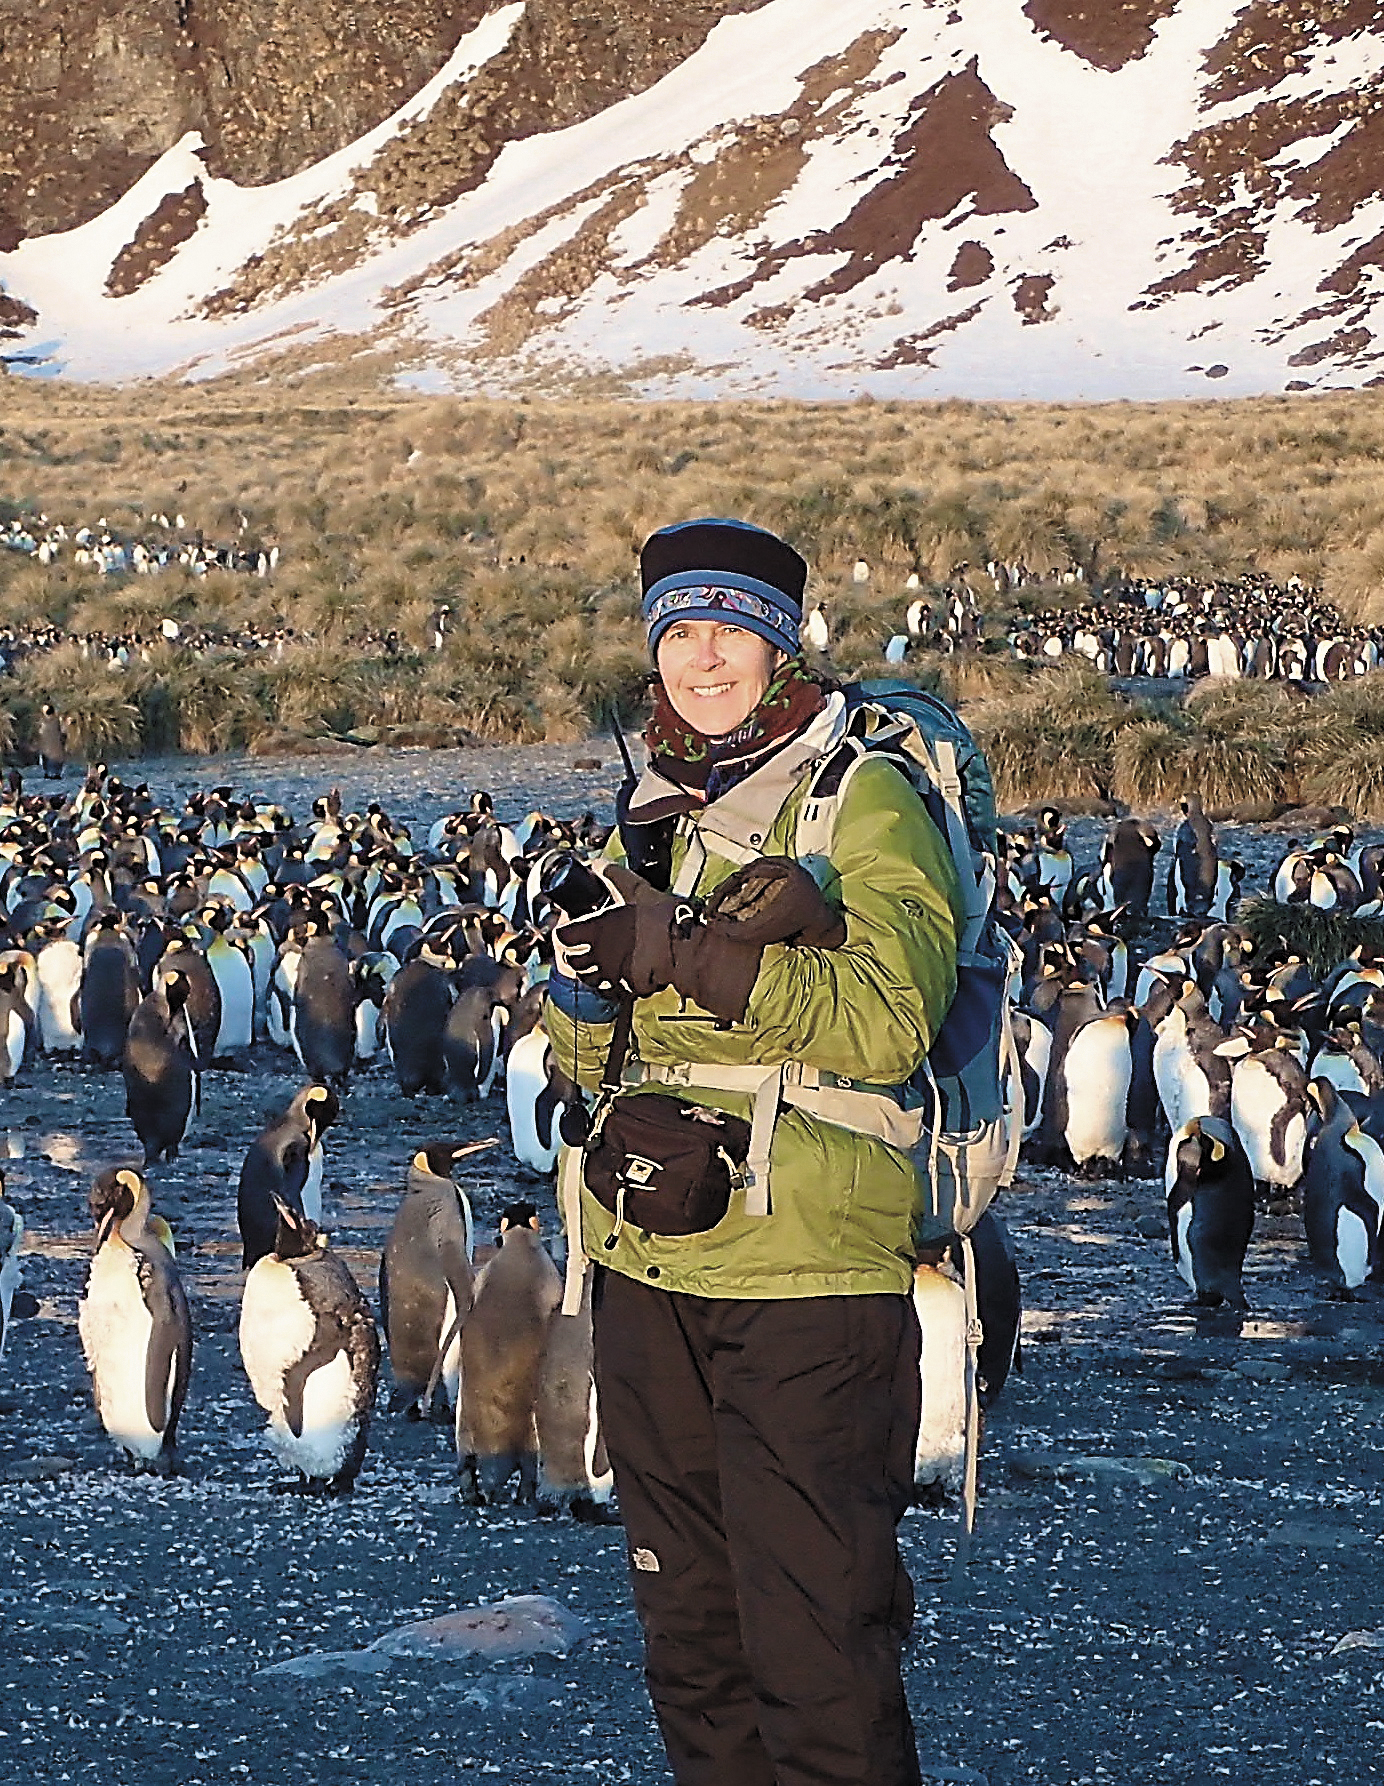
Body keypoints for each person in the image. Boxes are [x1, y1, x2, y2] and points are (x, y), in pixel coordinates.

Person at [544, 518, 962, 1786]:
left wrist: (683, 951)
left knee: (815, 1645)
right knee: (691, 1642)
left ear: (778, 642)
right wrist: (582, 982)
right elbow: (583, 1058)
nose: (702, 658)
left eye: (728, 630)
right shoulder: (648, 811)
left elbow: (891, 1019)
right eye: (679, 632)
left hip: (803, 1278)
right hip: (646, 1261)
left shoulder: (862, 796)